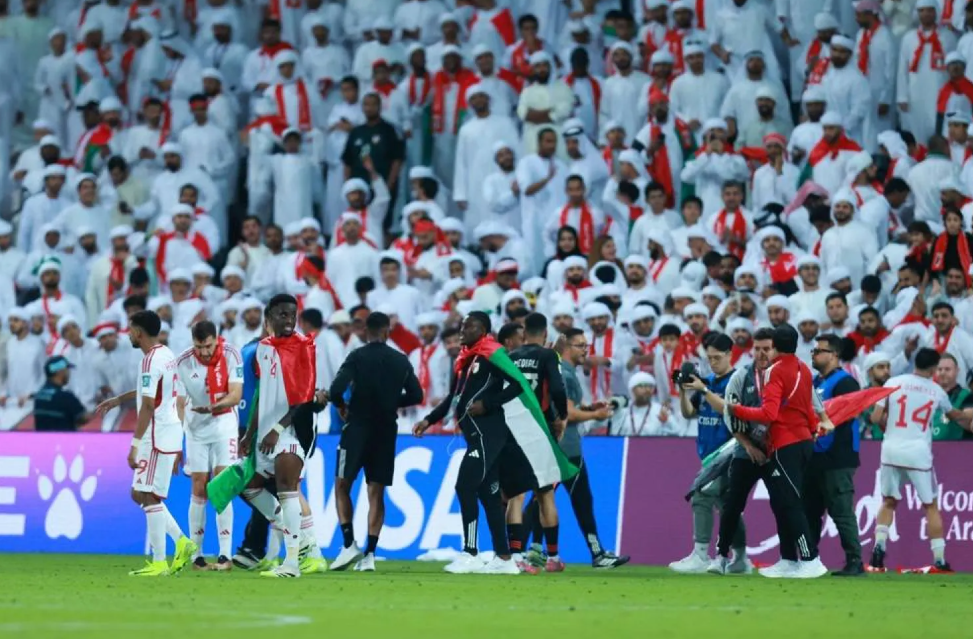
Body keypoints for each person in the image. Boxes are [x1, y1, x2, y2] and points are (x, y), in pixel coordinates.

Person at [414, 311, 572, 575]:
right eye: (462, 326)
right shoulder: (466, 359)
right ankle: (505, 558)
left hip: (489, 435)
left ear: (483, 331)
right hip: (476, 435)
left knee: (465, 486)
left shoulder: (493, 354)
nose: (462, 331)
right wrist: (429, 419)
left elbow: (518, 384)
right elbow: (454, 397)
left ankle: (471, 553)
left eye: (469, 327)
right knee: (489, 496)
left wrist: (488, 404)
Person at [95, 310, 195, 577]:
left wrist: (135, 445)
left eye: (130, 330)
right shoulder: (167, 355)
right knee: (139, 493)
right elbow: (156, 392)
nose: (128, 334)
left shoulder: (150, 360)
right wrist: (119, 399)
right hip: (169, 431)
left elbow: (149, 405)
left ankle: (160, 562)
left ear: (138, 332)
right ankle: (182, 542)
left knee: (148, 495)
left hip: (155, 435)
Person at [727, 324, 830, 578]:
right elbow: (808, 408)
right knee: (784, 501)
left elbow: (769, 413)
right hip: (803, 441)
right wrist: (812, 429)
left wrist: (737, 409)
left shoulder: (774, 371)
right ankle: (788, 559)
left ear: (774, 346)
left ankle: (810, 559)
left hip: (785, 444)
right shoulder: (803, 369)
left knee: (790, 503)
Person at [327, 311, 423, 572]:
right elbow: (417, 394)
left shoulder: (357, 356)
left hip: (356, 428)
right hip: (385, 431)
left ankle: (349, 544)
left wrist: (341, 405)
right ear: (387, 331)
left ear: (365, 331)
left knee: (342, 484)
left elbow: (335, 390)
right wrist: (391, 401)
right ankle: (370, 554)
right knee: (376, 491)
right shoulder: (400, 359)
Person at [239, 294, 322, 578]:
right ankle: (300, 536)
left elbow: (305, 398)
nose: (289, 320)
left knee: (287, 490)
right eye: (283, 315)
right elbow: (261, 395)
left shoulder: (304, 347)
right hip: (264, 433)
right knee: (248, 486)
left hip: (290, 432)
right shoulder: (262, 348)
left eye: (292, 315)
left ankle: (292, 564)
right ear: (269, 318)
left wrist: (276, 429)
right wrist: (250, 434)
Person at [868, 348, 973, 573]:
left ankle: (878, 549)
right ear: (934, 368)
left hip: (890, 450)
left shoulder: (893, 383)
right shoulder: (936, 391)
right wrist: (968, 415)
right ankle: (939, 559)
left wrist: (890, 426)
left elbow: (875, 417)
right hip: (918, 454)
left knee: (888, 501)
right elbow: (955, 416)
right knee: (930, 506)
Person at [673, 332, 748, 574]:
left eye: (717, 358)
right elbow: (689, 413)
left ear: (730, 355)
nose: (713, 363)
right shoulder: (709, 382)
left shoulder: (737, 380)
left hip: (730, 450)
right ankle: (741, 558)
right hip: (709, 454)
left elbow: (729, 410)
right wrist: (683, 391)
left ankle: (701, 554)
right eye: (710, 358)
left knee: (701, 493)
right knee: (727, 505)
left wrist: (704, 389)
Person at [173, 321, 244, 572]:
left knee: (221, 486)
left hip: (224, 425)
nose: (204, 352)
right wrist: (177, 440)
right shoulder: (182, 362)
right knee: (198, 487)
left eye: (208, 346)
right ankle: (197, 556)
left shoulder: (232, 354)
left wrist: (213, 407)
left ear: (216, 339)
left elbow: (236, 395)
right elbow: (179, 403)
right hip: (195, 430)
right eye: (199, 347)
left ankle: (225, 555)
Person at [508, 312, 568, 573]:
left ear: (524, 333)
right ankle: (553, 558)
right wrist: (561, 416)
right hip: (540, 430)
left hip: (514, 429)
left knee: (516, 495)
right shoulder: (548, 356)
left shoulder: (511, 357)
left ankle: (515, 557)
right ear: (545, 333)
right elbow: (557, 388)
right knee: (545, 494)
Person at [807, 334, 865, 577]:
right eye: (813, 351)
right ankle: (809, 560)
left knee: (841, 511)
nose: (814, 355)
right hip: (814, 456)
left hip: (837, 457)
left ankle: (855, 561)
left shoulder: (846, 383)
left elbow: (844, 420)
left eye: (819, 351)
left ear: (834, 355)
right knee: (809, 512)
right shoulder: (813, 382)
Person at [32, 356, 92, 431]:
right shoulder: (66, 397)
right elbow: (84, 418)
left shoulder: (39, 395)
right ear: (60, 371)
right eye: (67, 369)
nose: (69, 373)